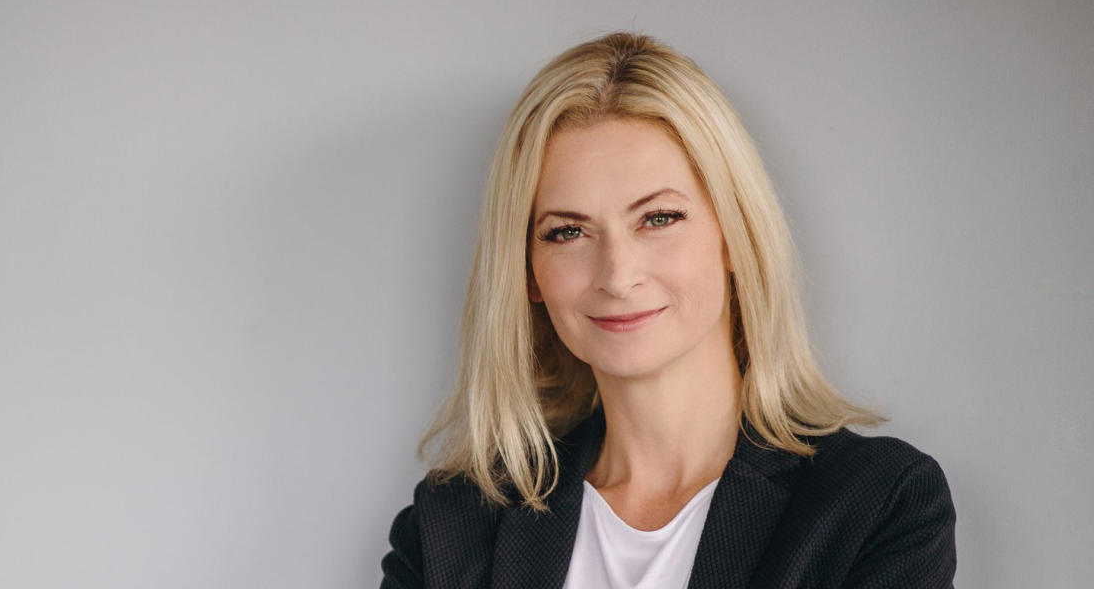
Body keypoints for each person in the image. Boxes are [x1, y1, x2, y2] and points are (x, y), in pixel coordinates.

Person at [378, 32, 956, 589]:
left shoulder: (877, 503)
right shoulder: (449, 525)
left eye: (658, 219)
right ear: (528, 271)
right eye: (568, 231)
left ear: (735, 236)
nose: (617, 276)